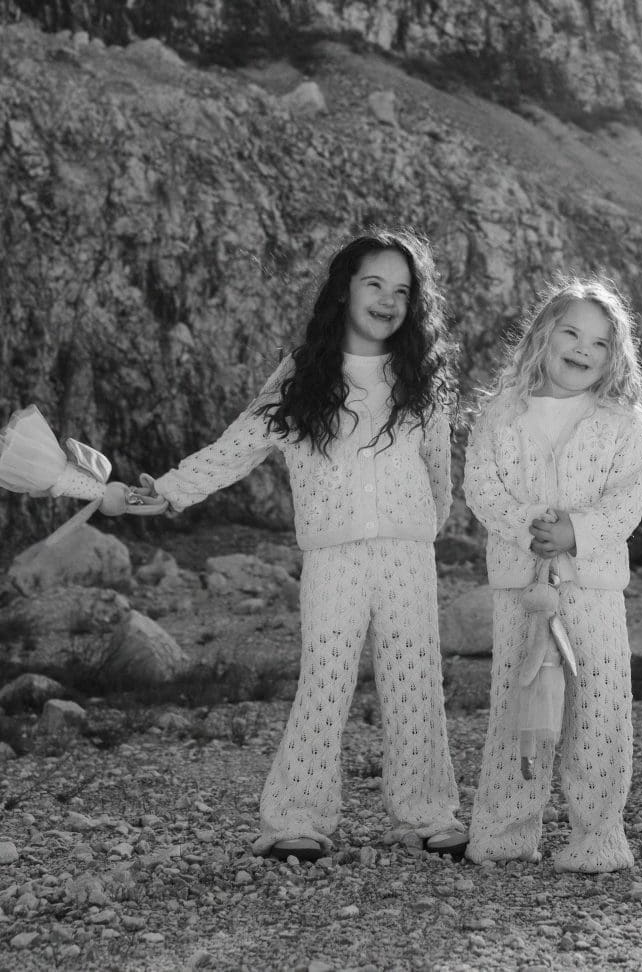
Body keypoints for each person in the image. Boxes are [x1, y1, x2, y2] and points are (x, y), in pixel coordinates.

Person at [131, 229, 467, 863]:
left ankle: (427, 814)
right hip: (332, 558)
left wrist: (418, 529)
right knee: (325, 679)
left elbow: (438, 474)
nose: (387, 300)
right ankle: (296, 818)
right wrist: (170, 490)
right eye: (374, 284)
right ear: (343, 290)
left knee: (415, 681)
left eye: (402, 291)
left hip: (407, 555)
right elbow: (237, 447)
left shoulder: (421, 379)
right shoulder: (301, 375)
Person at [462, 275, 642, 872]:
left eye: (600, 343)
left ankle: (598, 838)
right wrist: (530, 526)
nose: (583, 349)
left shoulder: (619, 423)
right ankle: (505, 833)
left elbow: (628, 500)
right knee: (518, 701)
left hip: (592, 589)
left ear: (614, 357)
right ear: (543, 337)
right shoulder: (502, 414)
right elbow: (481, 486)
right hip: (521, 589)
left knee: (599, 706)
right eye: (571, 334)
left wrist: (577, 531)